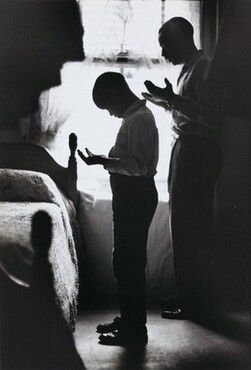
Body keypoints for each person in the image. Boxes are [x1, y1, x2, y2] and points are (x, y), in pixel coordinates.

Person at [143, 17, 223, 319]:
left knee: (191, 228)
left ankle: (193, 303)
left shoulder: (204, 67)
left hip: (198, 153)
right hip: (187, 149)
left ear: (182, 38)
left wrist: (172, 98)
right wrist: (163, 101)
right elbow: (189, 110)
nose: (163, 52)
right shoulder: (188, 70)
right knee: (183, 226)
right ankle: (187, 298)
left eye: (166, 44)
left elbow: (212, 118)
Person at [78, 72, 159, 345]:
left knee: (130, 263)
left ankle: (135, 331)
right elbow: (131, 160)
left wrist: (103, 160)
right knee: (125, 262)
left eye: (108, 107)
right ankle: (130, 319)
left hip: (136, 197)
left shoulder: (138, 121)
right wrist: (107, 159)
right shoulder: (133, 119)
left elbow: (138, 166)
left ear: (117, 95)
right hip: (130, 197)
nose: (110, 114)